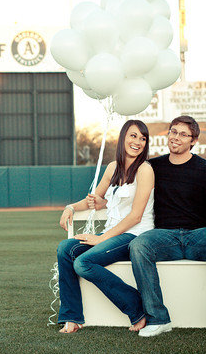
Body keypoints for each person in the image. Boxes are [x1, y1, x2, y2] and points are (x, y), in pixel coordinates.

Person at [129, 115, 206, 338]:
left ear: (193, 140)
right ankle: (158, 319)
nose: (176, 137)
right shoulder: (152, 167)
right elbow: (128, 194)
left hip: (199, 235)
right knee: (138, 246)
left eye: (183, 134)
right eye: (173, 132)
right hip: (164, 236)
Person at [56, 119, 155, 334]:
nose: (138, 141)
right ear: (123, 138)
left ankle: (138, 309)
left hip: (134, 236)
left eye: (143, 138)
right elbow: (92, 199)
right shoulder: (113, 168)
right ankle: (72, 317)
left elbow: (136, 216)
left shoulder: (145, 170)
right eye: (133, 135)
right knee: (65, 249)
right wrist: (71, 208)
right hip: (111, 234)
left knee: (83, 263)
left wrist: (101, 238)